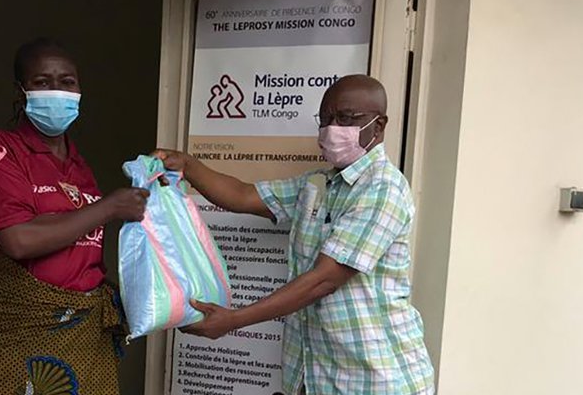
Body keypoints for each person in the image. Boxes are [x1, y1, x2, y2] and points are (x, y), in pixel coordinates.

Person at [154, 75, 435, 395]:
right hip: (318, 376)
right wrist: (187, 165)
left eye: (346, 118)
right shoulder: (318, 185)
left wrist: (232, 320)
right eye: (326, 119)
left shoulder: (383, 189)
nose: (332, 128)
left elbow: (325, 279)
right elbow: (243, 196)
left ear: (379, 125)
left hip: (375, 378)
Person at [0, 37, 148, 395]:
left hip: (82, 335)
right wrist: (109, 207)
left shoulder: (80, 168)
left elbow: (80, 251)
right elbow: (18, 239)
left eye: (67, 82)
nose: (57, 91)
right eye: (42, 82)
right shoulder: (2, 149)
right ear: (21, 91)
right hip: (16, 333)